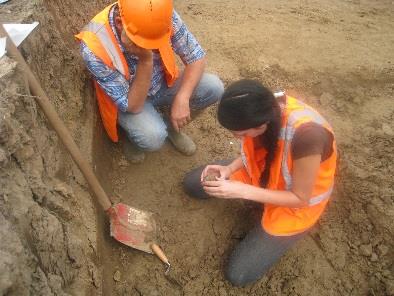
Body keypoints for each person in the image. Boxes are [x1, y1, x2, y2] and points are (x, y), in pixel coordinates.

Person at [183, 79, 337, 286]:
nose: (238, 138)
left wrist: (242, 190)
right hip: (262, 174)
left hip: (294, 205)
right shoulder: (263, 108)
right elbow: (259, 151)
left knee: (238, 275)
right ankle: (248, 191)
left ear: (261, 124)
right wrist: (229, 169)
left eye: (241, 134)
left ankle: (283, 229)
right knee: (194, 183)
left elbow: (301, 198)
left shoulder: (308, 137)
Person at [75, 0, 223, 162]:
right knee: (152, 137)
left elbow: (196, 57)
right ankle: (132, 138)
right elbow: (132, 105)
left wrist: (183, 97)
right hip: (132, 100)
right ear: (119, 24)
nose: (153, 48)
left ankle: (172, 127)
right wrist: (145, 61)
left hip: (162, 83)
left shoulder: (160, 15)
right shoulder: (94, 47)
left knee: (213, 87)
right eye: (147, 43)